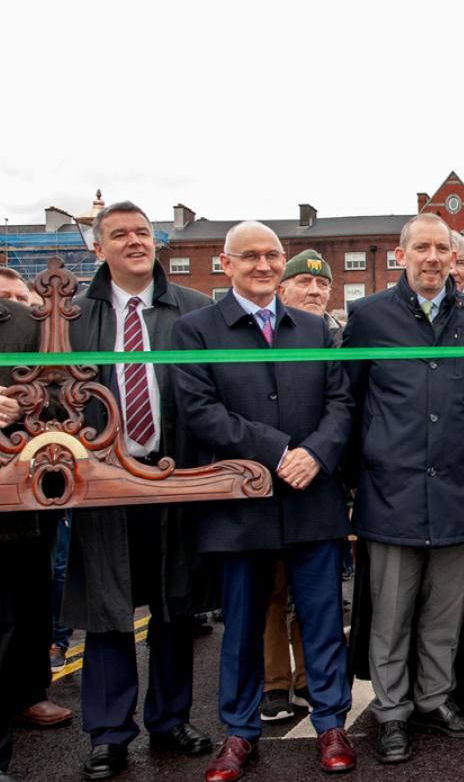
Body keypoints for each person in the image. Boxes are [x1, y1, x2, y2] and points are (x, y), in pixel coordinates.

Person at [171, 221, 357, 780]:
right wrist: (280, 452)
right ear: (225, 265)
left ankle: (331, 725)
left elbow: (341, 402)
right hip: (239, 503)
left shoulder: (315, 328)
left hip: (312, 498)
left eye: (272, 255)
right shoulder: (195, 329)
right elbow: (199, 410)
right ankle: (239, 732)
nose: (263, 265)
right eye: (249, 256)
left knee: (324, 621)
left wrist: (317, 454)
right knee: (244, 626)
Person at [341, 213, 464, 762]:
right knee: (390, 614)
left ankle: (434, 700)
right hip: (392, 490)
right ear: (401, 254)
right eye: (423, 248)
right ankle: (392, 713)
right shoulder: (367, 318)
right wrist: (351, 483)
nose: (433, 258)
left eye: (443, 249)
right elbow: (351, 401)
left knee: (442, 613)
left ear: (455, 258)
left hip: (460, 489)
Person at [63, 201, 216, 780]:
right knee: (107, 612)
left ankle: (171, 719)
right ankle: (109, 734)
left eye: (143, 232)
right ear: (98, 248)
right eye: (119, 234)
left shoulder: (196, 312)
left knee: (175, 606)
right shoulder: (74, 317)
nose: (134, 241)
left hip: (173, 474)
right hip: (103, 484)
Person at [257, 248, 337, 724]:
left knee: (318, 592)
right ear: (281, 289)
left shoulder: (337, 338)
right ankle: (275, 683)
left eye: (321, 285)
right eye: (304, 284)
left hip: (321, 479)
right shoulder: (265, 336)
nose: (314, 291)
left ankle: (310, 678)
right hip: (265, 479)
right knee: (271, 591)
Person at [0, 297, 43, 782]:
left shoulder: (24, 324)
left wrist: (23, 405)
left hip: (8, 511)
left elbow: (59, 401)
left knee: (4, 631)